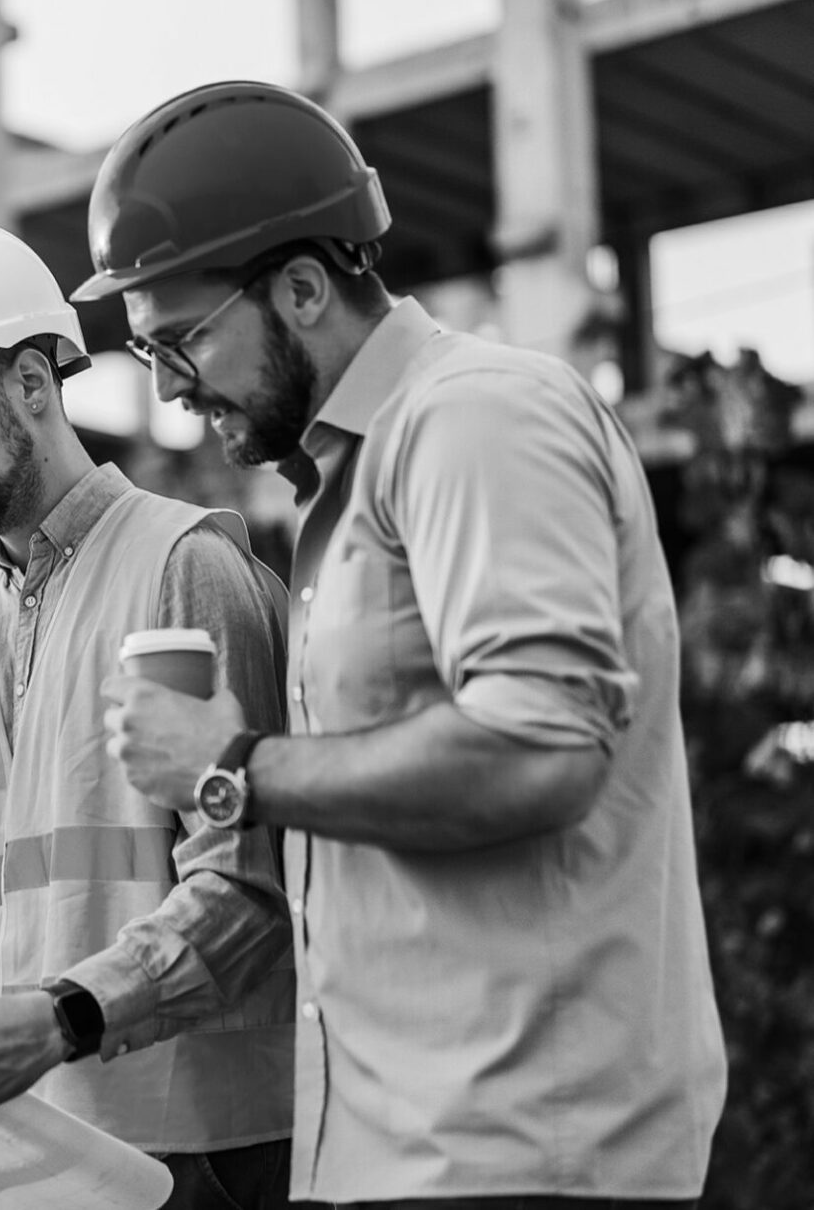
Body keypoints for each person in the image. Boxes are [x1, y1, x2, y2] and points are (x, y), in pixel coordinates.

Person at [81, 80, 727, 1208]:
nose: (172, 393)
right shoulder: (345, 487)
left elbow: (541, 747)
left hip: (523, 1154)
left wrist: (230, 768)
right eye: (150, 358)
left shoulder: (477, 417)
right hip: (410, 1155)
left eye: (181, 343)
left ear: (300, 285)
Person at [0, 218, 299, 1209]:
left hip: (196, 1157)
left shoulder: (186, 568)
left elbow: (252, 894)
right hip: (17, 1157)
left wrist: (60, 1018)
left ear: (34, 383)